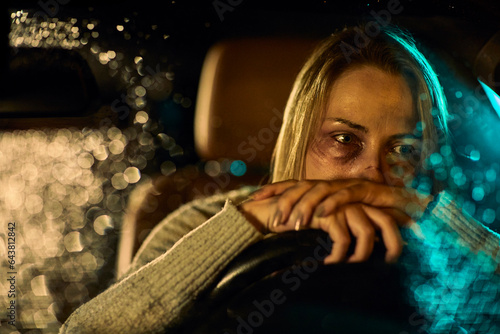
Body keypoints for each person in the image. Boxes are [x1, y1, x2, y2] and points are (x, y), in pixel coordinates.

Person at [60, 25, 500, 333]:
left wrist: (433, 217)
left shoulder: (441, 230)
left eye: (403, 149)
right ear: (299, 138)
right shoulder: (199, 219)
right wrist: (247, 223)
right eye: (344, 139)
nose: (372, 173)